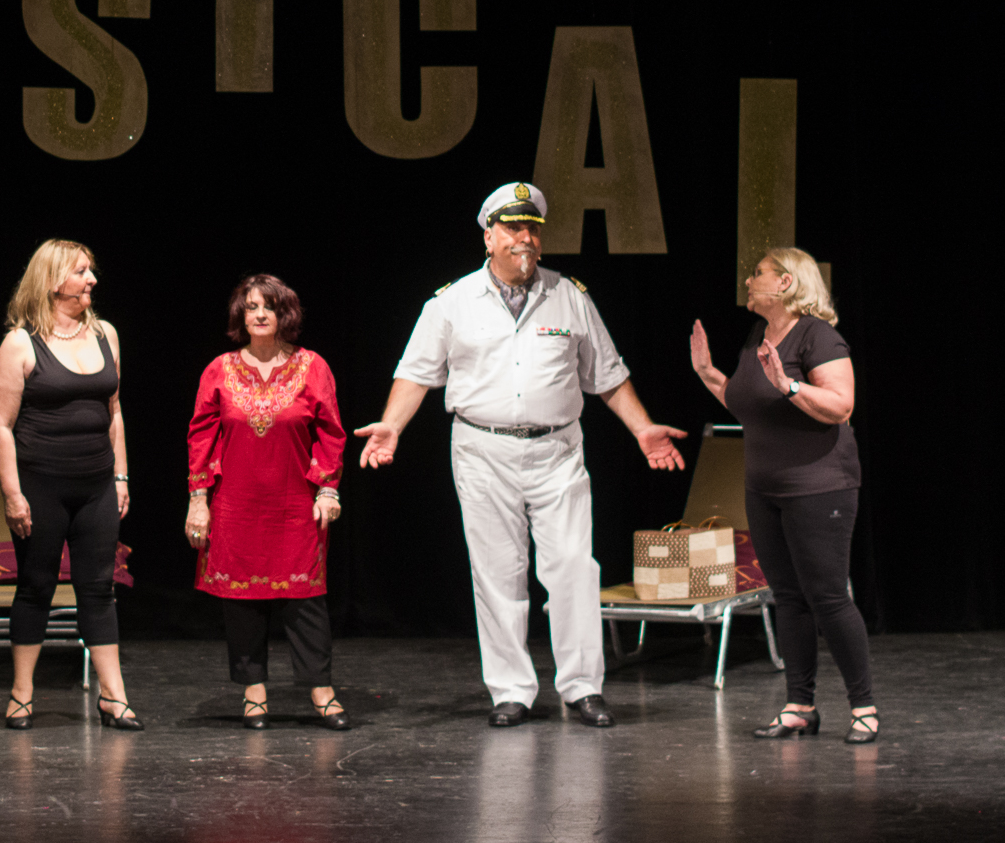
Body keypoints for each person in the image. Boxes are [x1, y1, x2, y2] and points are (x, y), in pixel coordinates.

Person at [355, 182, 686, 729]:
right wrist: (392, 425)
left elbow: (607, 375)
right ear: (488, 237)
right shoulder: (451, 302)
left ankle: (582, 687)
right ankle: (511, 690)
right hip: (482, 449)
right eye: (512, 228)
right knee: (497, 572)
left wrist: (643, 428)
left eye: (532, 228)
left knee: (574, 567)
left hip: (557, 449)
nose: (525, 237)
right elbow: (415, 373)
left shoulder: (569, 295)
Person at [690, 248, 876, 743]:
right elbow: (749, 404)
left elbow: (841, 405)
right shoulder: (759, 335)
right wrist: (708, 373)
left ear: (787, 283)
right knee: (788, 597)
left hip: (819, 487)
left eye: (759, 274)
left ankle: (864, 707)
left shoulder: (818, 336)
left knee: (828, 597)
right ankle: (799, 706)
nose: (749, 281)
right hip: (764, 488)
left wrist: (790, 385)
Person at [0, 239, 140, 730]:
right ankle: (21, 693)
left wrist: (120, 475)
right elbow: (0, 425)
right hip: (40, 486)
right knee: (36, 586)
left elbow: (114, 411)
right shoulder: (20, 343)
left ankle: (113, 696)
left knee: (98, 588)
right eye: (81, 271)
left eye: (90, 270)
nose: (92, 279)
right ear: (53, 281)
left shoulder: (105, 334)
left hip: (97, 485)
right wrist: (12, 494)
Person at [186, 274, 350, 730]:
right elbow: (200, 437)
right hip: (235, 505)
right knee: (242, 602)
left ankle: (321, 691)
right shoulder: (219, 370)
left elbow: (331, 432)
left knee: (305, 599)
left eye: (269, 307)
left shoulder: (311, 366)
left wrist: (328, 488)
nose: (260, 315)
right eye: (252, 307)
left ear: (284, 314)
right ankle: (253, 691)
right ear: (241, 315)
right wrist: (198, 499)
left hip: (294, 505)